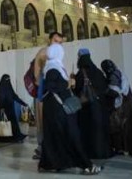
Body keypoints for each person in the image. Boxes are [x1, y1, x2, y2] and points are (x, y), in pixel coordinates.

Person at [38, 43, 102, 175]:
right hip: (59, 108)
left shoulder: (53, 67)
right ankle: (86, 165)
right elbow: (51, 86)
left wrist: (68, 84)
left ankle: (49, 163)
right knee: (71, 134)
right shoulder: (53, 69)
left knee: (55, 135)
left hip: (56, 107)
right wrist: (67, 84)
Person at [72, 48, 111, 159]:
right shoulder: (98, 72)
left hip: (86, 108)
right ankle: (102, 152)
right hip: (99, 107)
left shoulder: (81, 74)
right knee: (99, 130)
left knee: (88, 130)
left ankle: (90, 153)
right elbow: (104, 87)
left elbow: (77, 91)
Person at [101, 59, 132, 156]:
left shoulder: (113, 76)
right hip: (128, 104)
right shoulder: (119, 73)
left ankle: (120, 148)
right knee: (129, 126)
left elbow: (115, 92)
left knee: (118, 126)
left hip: (121, 105)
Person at [33, 31, 63, 159]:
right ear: (49, 40)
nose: (58, 44)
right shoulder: (43, 53)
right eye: (56, 41)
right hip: (44, 93)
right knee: (42, 120)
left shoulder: (58, 55)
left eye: (60, 42)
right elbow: (37, 76)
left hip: (56, 93)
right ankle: (42, 148)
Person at [0, 74, 28, 143]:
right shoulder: (1, 89)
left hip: (7, 108)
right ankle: (14, 137)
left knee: (9, 124)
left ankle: (16, 137)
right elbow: (2, 99)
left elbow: (15, 97)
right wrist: (2, 108)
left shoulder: (7, 88)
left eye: (9, 79)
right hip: (4, 109)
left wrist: (24, 104)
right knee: (2, 124)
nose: (8, 81)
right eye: (7, 79)